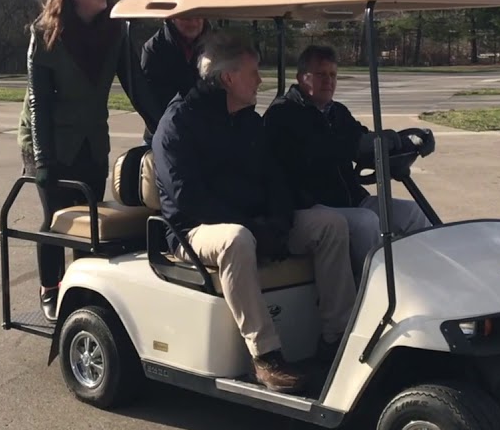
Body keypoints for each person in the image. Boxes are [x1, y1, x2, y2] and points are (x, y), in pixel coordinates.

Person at [151, 31, 358, 394]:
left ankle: (336, 336)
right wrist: (253, 226)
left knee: (329, 224)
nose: (260, 81)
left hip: (254, 223)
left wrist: (279, 220)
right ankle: (265, 355)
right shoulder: (179, 123)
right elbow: (189, 199)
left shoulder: (247, 120)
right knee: (236, 239)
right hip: (193, 229)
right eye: (253, 73)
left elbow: (274, 178)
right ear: (228, 78)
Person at [17, 0, 158, 320]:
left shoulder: (115, 31)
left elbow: (138, 89)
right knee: (57, 218)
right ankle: (50, 287)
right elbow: (39, 103)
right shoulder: (45, 34)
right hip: (47, 140)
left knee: (88, 220)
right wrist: (44, 161)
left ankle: (81, 287)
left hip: (91, 139)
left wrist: (164, 131)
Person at [262, 44, 431, 278]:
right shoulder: (283, 114)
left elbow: (361, 140)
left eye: (333, 75)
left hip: (351, 199)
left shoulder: (337, 112)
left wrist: (401, 144)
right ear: (302, 77)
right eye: (321, 74)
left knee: (412, 213)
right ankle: (377, 288)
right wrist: (361, 144)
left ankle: (426, 280)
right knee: (366, 222)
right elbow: (319, 151)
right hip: (312, 205)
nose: (328, 81)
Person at [137, 0, 212, 142]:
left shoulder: (215, 45)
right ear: (171, 17)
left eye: (198, 15)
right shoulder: (154, 50)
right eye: (186, 16)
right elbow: (152, 104)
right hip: (165, 132)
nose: (194, 22)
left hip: (208, 131)